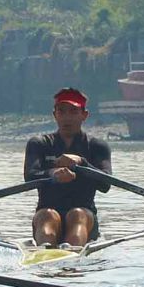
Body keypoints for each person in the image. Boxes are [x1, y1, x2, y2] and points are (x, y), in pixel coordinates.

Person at [23, 87, 111, 248]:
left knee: (77, 214)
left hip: (84, 215)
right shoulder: (39, 144)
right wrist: (53, 174)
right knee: (48, 214)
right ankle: (47, 257)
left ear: (84, 115)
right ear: (54, 114)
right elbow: (30, 177)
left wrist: (81, 163)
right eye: (61, 111)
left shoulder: (97, 146)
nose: (66, 117)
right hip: (46, 215)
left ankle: (70, 256)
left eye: (73, 111)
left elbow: (105, 185)